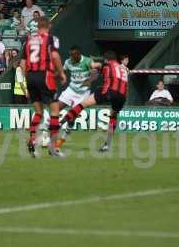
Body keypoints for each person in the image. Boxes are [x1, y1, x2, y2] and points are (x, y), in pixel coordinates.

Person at [60, 50, 128, 152]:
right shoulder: (125, 69)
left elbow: (97, 69)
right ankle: (107, 145)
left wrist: (90, 75)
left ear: (106, 59)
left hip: (109, 90)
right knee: (113, 115)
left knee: (83, 104)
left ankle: (60, 123)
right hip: (122, 96)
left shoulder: (107, 64)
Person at [21, 16, 67, 157]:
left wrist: (26, 81)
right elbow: (54, 56)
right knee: (54, 111)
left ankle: (32, 139)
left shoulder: (28, 41)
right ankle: (53, 148)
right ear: (49, 25)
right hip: (45, 76)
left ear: (37, 26)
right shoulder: (50, 39)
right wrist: (61, 73)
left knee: (38, 112)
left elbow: (22, 63)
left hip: (30, 77)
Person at [43, 45, 102, 147]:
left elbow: (97, 69)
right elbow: (61, 71)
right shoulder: (68, 62)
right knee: (55, 109)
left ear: (78, 55)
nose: (71, 58)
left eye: (73, 55)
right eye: (70, 55)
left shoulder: (87, 61)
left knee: (71, 118)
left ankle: (62, 139)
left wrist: (90, 80)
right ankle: (45, 135)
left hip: (83, 94)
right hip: (71, 90)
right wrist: (52, 77)